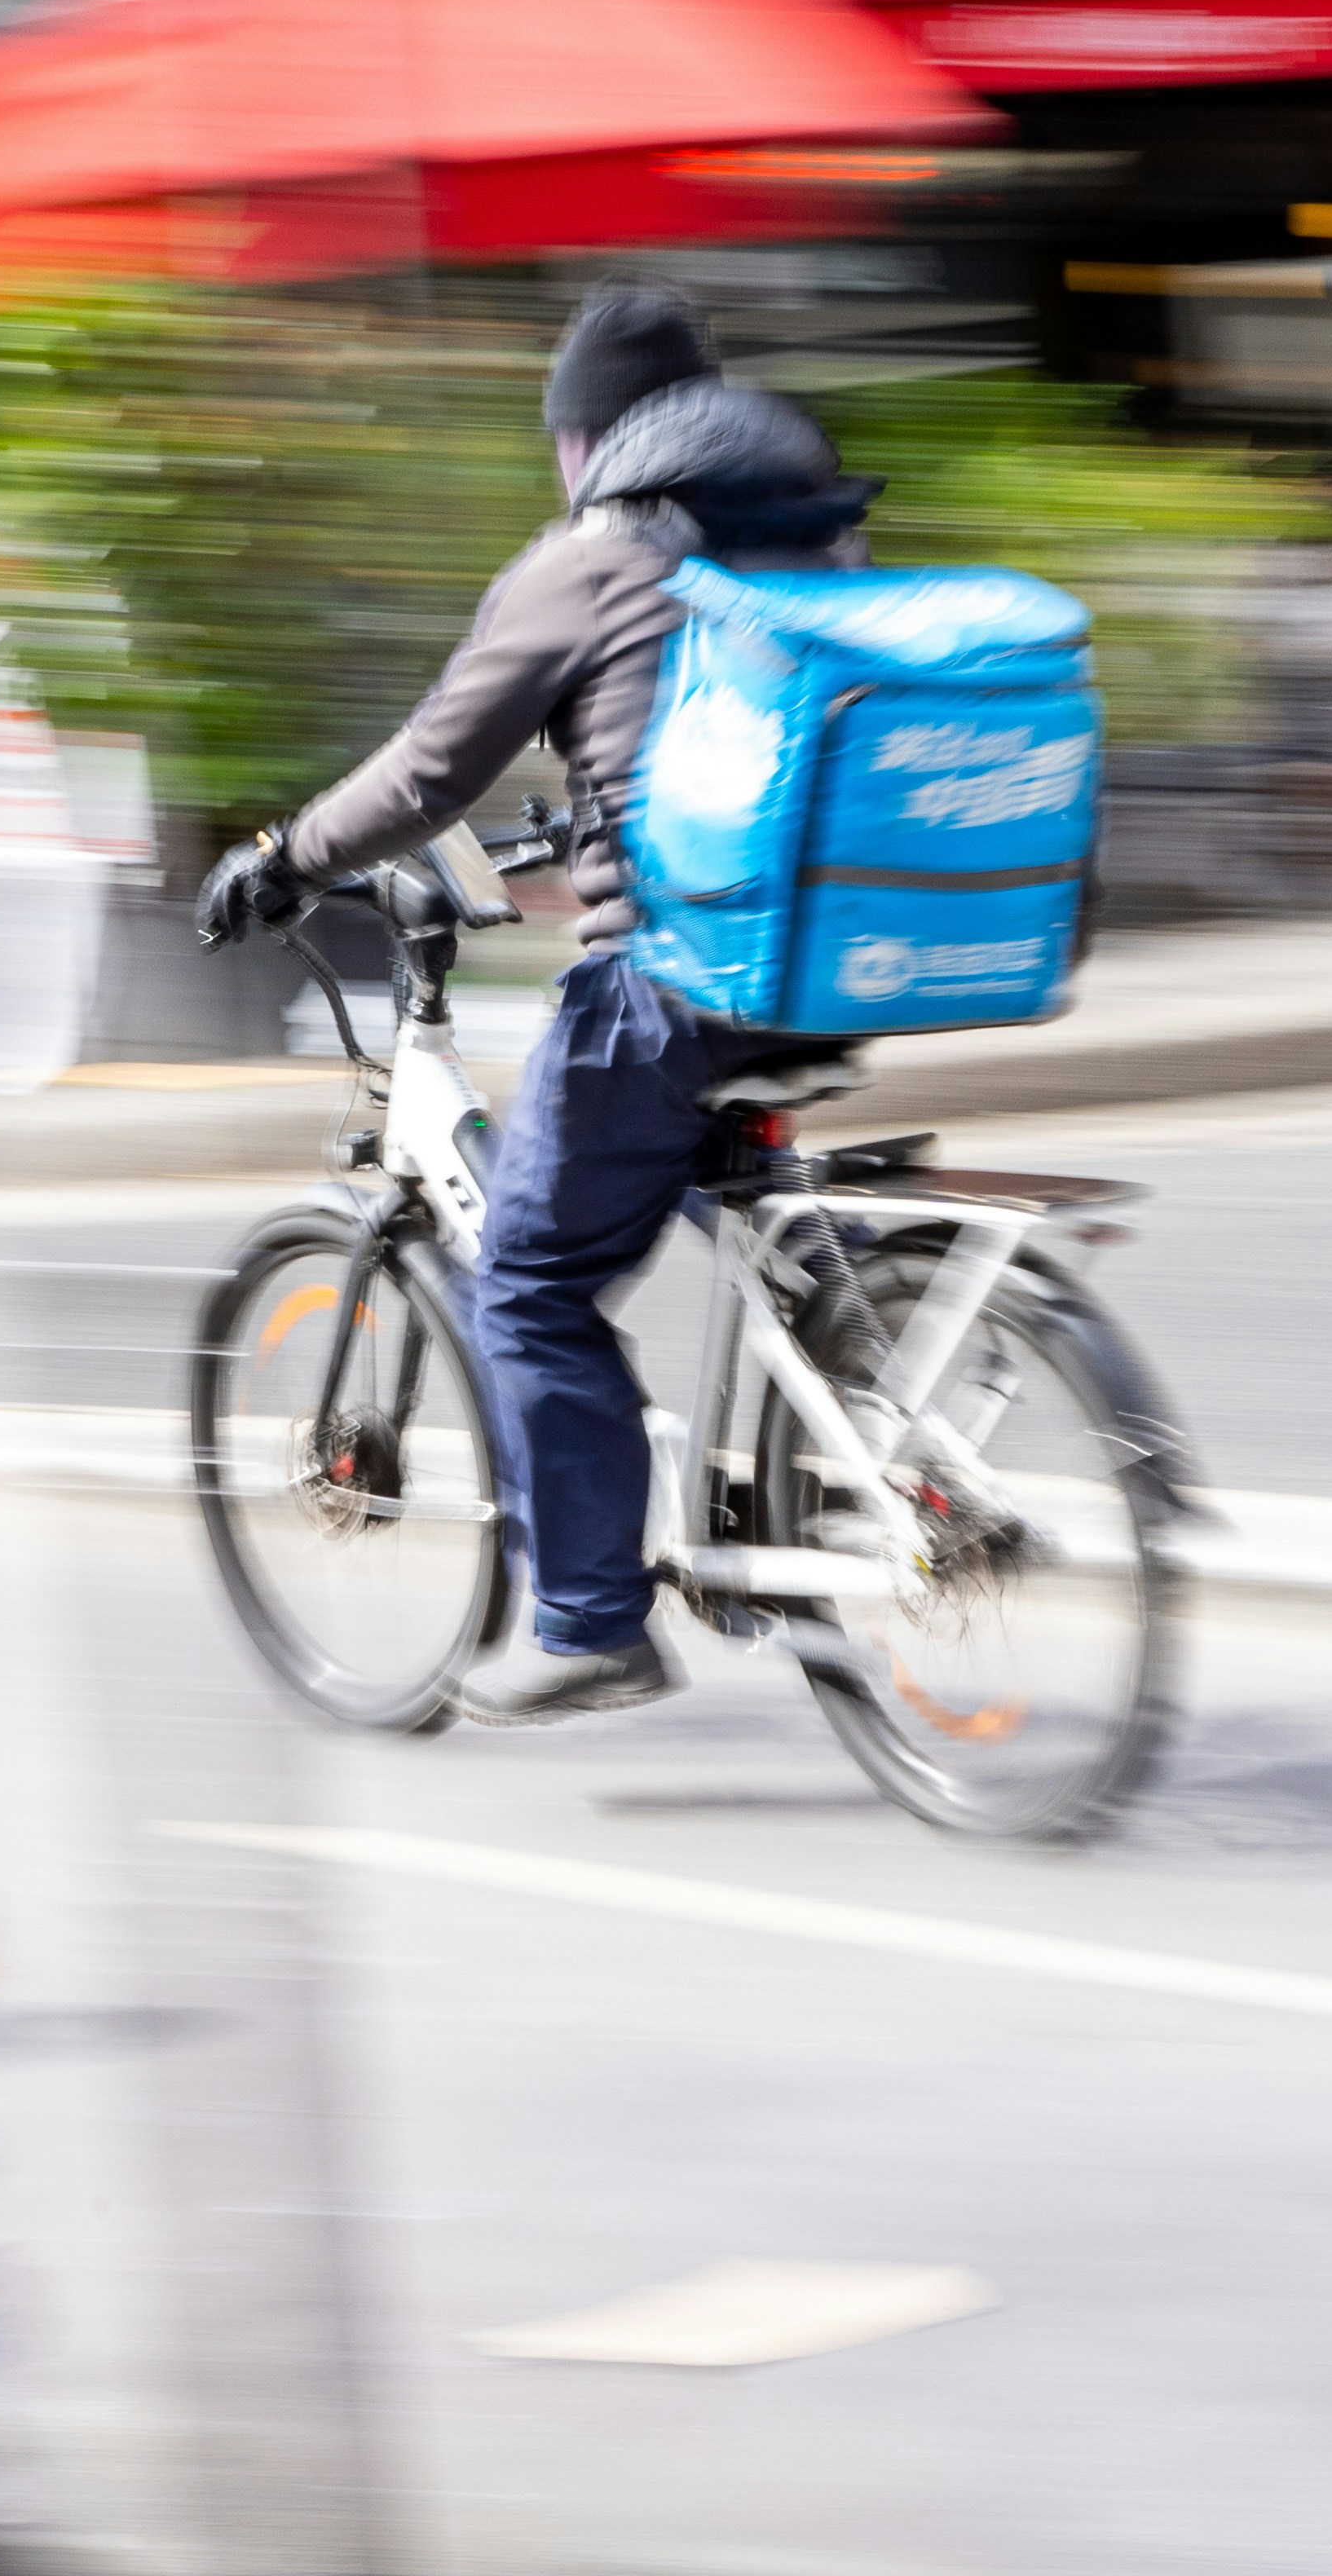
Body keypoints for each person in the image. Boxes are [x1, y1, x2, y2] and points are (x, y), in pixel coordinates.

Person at [193, 280, 872, 1723]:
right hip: (838, 956)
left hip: (677, 977)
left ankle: (590, 1622)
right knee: (688, 1176)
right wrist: (593, 815)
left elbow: (432, 771)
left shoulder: (593, 555)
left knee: (534, 1286)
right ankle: (843, 1320)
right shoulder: (809, 528)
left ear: (585, 439)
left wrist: (283, 856)